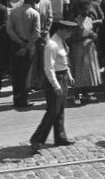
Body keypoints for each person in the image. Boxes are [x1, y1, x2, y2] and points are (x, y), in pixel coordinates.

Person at [29, 20, 75, 152]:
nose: (70, 34)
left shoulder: (61, 42)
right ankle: (36, 140)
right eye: (68, 31)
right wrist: (56, 85)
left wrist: (69, 76)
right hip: (55, 79)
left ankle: (60, 137)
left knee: (60, 109)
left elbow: (64, 61)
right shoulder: (51, 45)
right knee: (53, 111)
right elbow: (48, 68)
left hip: (63, 77)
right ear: (61, 30)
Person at [6, 0, 43, 109]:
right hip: (29, 47)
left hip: (15, 46)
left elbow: (9, 30)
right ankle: (23, 100)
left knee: (16, 73)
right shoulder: (34, 13)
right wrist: (27, 45)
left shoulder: (14, 12)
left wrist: (19, 42)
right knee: (26, 74)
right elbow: (37, 33)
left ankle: (16, 99)